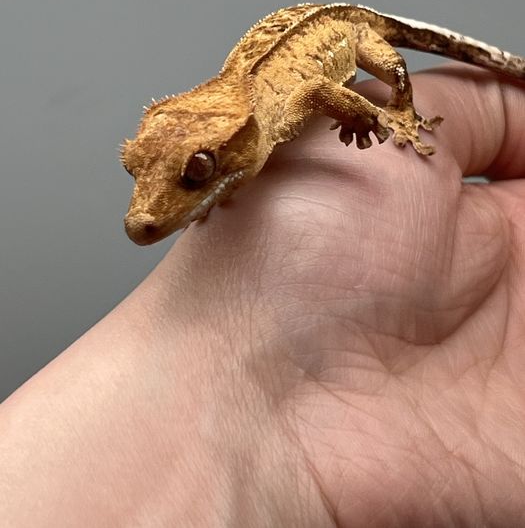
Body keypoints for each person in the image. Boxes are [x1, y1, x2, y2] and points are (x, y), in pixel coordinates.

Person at [1, 64, 524, 526]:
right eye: (137, 166)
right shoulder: (241, 135)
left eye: (197, 171)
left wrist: (386, 113)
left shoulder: (281, 110)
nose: (142, 217)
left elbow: (318, 90)